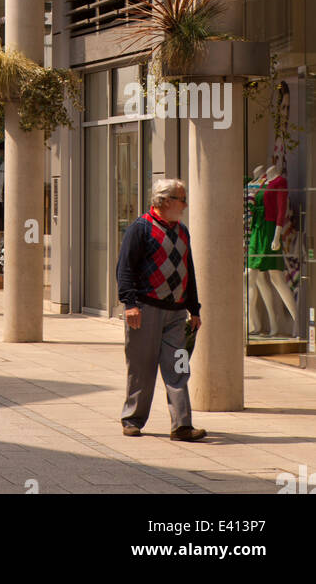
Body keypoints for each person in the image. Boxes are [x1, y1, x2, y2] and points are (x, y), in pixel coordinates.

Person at [117, 178, 205, 442]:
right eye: (182, 198)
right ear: (165, 201)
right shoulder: (140, 229)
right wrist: (130, 304)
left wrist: (194, 308)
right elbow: (125, 269)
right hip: (145, 310)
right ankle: (132, 419)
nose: (186, 204)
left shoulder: (182, 231)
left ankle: (182, 425)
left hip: (176, 312)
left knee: (178, 366)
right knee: (142, 367)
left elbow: (188, 271)